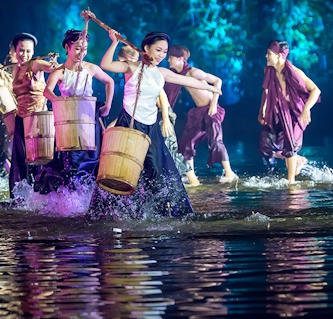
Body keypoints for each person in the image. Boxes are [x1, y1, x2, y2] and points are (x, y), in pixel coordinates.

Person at [89, 29, 221, 218]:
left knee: (158, 172)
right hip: (130, 123)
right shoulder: (132, 67)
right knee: (124, 170)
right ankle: (113, 214)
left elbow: (186, 80)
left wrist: (211, 88)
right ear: (146, 48)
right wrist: (114, 42)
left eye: (164, 52)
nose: (161, 55)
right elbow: (106, 64)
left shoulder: (162, 72)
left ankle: (156, 215)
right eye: (158, 50)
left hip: (151, 127)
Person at [26, 29, 114, 193]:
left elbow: (110, 82)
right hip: (68, 121)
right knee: (70, 161)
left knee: (92, 158)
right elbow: (47, 91)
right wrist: (59, 101)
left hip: (89, 117)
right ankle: (70, 198)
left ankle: (88, 197)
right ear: (67, 47)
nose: (82, 53)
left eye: (85, 48)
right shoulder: (60, 71)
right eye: (78, 48)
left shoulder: (91, 68)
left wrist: (107, 106)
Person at [116, 46, 198, 186]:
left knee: (169, 149)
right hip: (149, 116)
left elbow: (162, 95)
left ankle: (193, 180)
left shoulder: (145, 71)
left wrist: (166, 119)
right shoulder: (133, 73)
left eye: (131, 60)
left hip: (162, 114)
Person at [164, 45, 237, 184]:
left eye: (170, 57)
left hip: (211, 109)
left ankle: (229, 173)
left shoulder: (193, 72)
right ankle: (192, 177)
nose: (168, 60)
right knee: (186, 142)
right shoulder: (177, 74)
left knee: (216, 140)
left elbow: (218, 81)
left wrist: (214, 104)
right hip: (197, 112)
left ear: (180, 59)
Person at [258, 40, 321, 183]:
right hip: (279, 113)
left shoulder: (295, 72)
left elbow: (316, 90)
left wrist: (306, 109)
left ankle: (291, 182)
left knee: (290, 146)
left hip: (295, 114)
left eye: (269, 54)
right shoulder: (269, 71)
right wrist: (262, 110)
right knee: (265, 146)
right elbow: (266, 91)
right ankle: (297, 160)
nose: (266, 57)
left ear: (279, 56)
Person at [9, 33, 59, 196]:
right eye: (21, 51)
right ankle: (19, 197)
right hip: (20, 119)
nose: (24, 55)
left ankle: (42, 195)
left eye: (28, 51)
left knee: (38, 160)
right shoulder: (15, 68)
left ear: (33, 52)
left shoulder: (36, 64)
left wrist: (53, 62)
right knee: (18, 160)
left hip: (37, 119)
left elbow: (56, 70)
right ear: (14, 51)